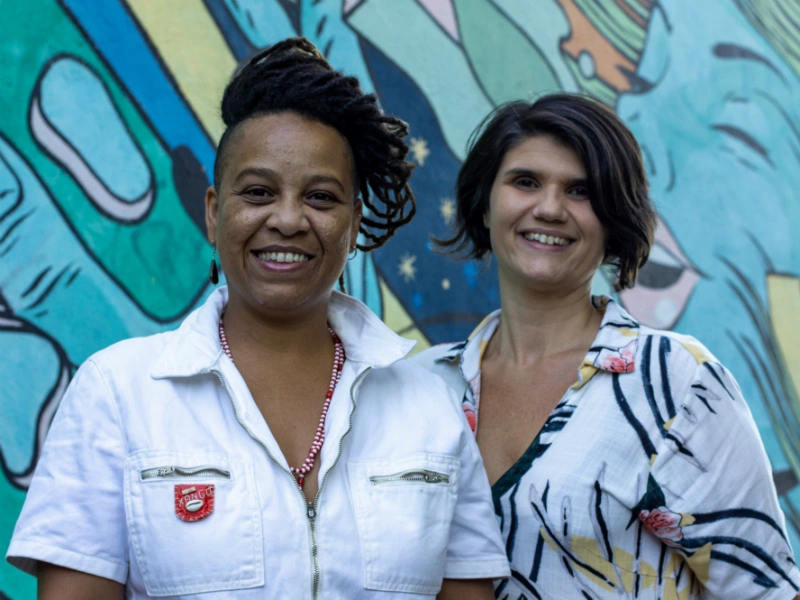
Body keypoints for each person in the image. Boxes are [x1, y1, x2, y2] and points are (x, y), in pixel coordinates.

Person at [6, 38, 509, 599]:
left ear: (353, 224)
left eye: (321, 198)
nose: (288, 219)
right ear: (214, 212)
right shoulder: (117, 392)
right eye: (259, 192)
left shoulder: (428, 405)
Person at [413, 94, 800, 599]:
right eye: (525, 182)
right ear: (485, 205)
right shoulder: (423, 386)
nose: (549, 208)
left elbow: (768, 592)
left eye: (581, 191)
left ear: (613, 219)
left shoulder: (674, 382)